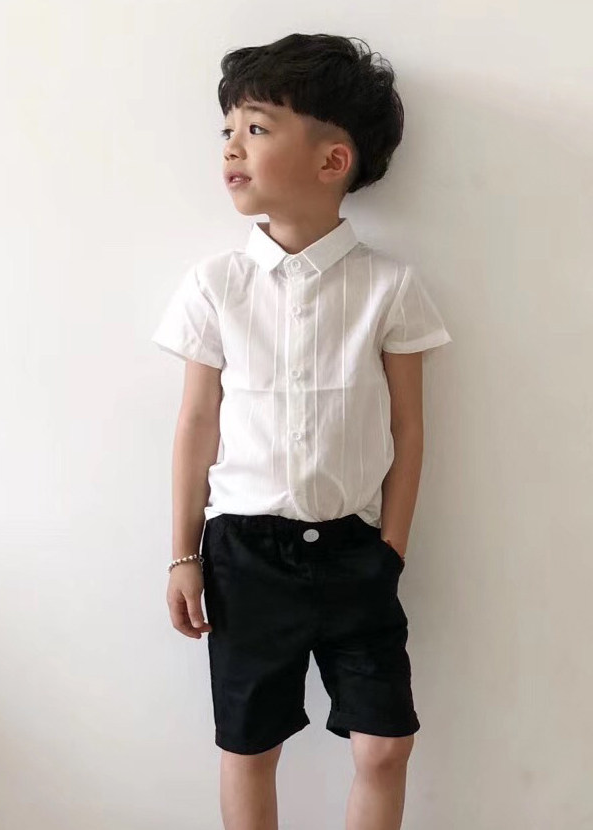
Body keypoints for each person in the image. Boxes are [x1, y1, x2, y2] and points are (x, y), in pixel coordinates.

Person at [151, 32, 452, 830]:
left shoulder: (390, 288)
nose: (231, 147)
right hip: (243, 553)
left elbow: (410, 427)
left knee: (385, 745)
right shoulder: (216, 285)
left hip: (355, 552)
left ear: (333, 160)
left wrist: (390, 548)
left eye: (256, 128)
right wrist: (183, 553)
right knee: (250, 743)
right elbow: (195, 424)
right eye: (227, 129)